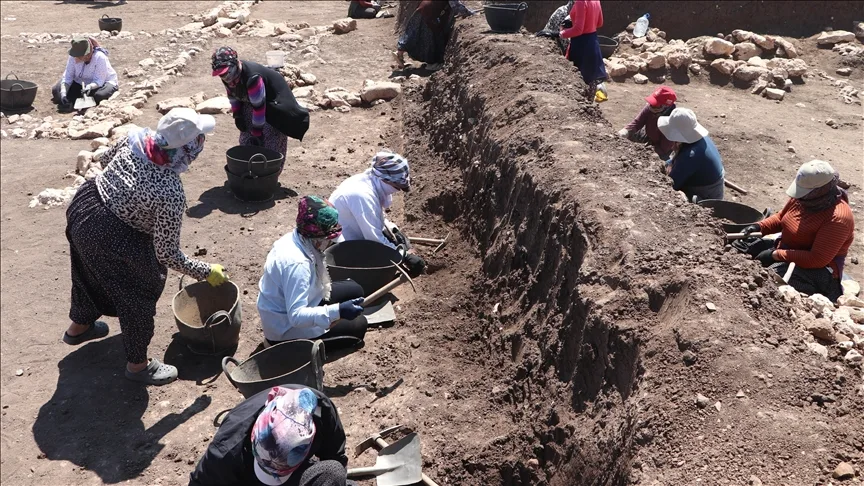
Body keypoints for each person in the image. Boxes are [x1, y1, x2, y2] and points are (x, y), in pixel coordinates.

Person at [62, 108, 227, 386]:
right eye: (199, 139)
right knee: (138, 291)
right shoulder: (170, 192)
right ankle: (138, 365)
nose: (202, 144)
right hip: (112, 233)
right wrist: (205, 271)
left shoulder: (136, 138)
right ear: (187, 148)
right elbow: (166, 253)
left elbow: (106, 160)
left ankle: (79, 327)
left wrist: (126, 193)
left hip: (85, 208)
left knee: (86, 271)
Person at [257, 196, 369, 349]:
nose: (330, 244)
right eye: (329, 240)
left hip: (302, 302)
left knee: (356, 290)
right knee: (359, 325)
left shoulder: (299, 237)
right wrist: (337, 311)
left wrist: (335, 312)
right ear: (317, 239)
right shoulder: (297, 264)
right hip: (287, 329)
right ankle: (281, 347)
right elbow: (296, 317)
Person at [189, 385, 354, 486]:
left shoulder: (322, 412)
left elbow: (336, 455)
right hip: (248, 481)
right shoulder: (226, 450)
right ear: (253, 438)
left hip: (293, 476)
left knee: (333, 472)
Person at [741, 160, 854, 301]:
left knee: (770, 280)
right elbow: (782, 217)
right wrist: (759, 226)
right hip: (788, 248)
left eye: (804, 194)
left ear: (820, 191)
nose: (799, 197)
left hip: (816, 270)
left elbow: (817, 259)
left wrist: (775, 255)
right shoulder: (805, 199)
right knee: (742, 245)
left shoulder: (838, 218)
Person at [328, 152, 426, 278]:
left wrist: (393, 230)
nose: (397, 191)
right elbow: (374, 238)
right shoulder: (363, 196)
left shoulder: (370, 181)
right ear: (385, 180)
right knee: (382, 263)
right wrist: (405, 256)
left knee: (392, 241)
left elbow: (377, 217)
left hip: (355, 232)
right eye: (397, 187)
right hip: (343, 247)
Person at [211, 46, 310, 158]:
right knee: (247, 139)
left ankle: (271, 172)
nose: (224, 77)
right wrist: (238, 115)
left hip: (275, 105)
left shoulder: (253, 78)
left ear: (234, 64)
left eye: (225, 73)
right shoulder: (228, 76)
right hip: (254, 101)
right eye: (220, 74)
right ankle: (249, 167)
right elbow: (233, 96)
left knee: (269, 143)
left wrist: (257, 133)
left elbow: (259, 108)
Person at [657, 107, 725, 202]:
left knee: (676, 197)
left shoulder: (691, 155)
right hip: (712, 184)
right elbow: (677, 161)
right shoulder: (699, 140)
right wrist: (664, 164)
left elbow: (672, 183)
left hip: (707, 194)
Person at [395, 0, 474, 71]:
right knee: (432, 37)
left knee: (414, 33)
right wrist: (470, 13)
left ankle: (400, 52)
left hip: (423, 8)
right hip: (430, 12)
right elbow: (456, 6)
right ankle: (432, 63)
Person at [52, 37, 118, 112]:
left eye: (80, 56)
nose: (77, 58)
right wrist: (63, 92)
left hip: (101, 83)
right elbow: (68, 77)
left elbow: (99, 80)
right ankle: (74, 98)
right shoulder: (73, 57)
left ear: (88, 53)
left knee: (99, 96)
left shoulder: (99, 57)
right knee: (57, 91)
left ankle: (78, 98)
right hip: (80, 82)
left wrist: (90, 86)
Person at [559, 0, 607, 100]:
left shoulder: (581, 2)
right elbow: (600, 23)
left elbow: (578, 30)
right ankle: (588, 109)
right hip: (593, 43)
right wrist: (588, 25)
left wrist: (562, 33)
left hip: (581, 46)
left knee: (577, 81)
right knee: (591, 80)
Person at [617, 86, 677, 160]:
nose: (651, 106)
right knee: (630, 134)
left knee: (659, 160)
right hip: (649, 136)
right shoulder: (651, 108)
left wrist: (643, 151)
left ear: (665, 106)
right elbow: (637, 123)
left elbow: (663, 148)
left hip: (665, 149)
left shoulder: (673, 122)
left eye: (655, 105)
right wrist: (624, 132)